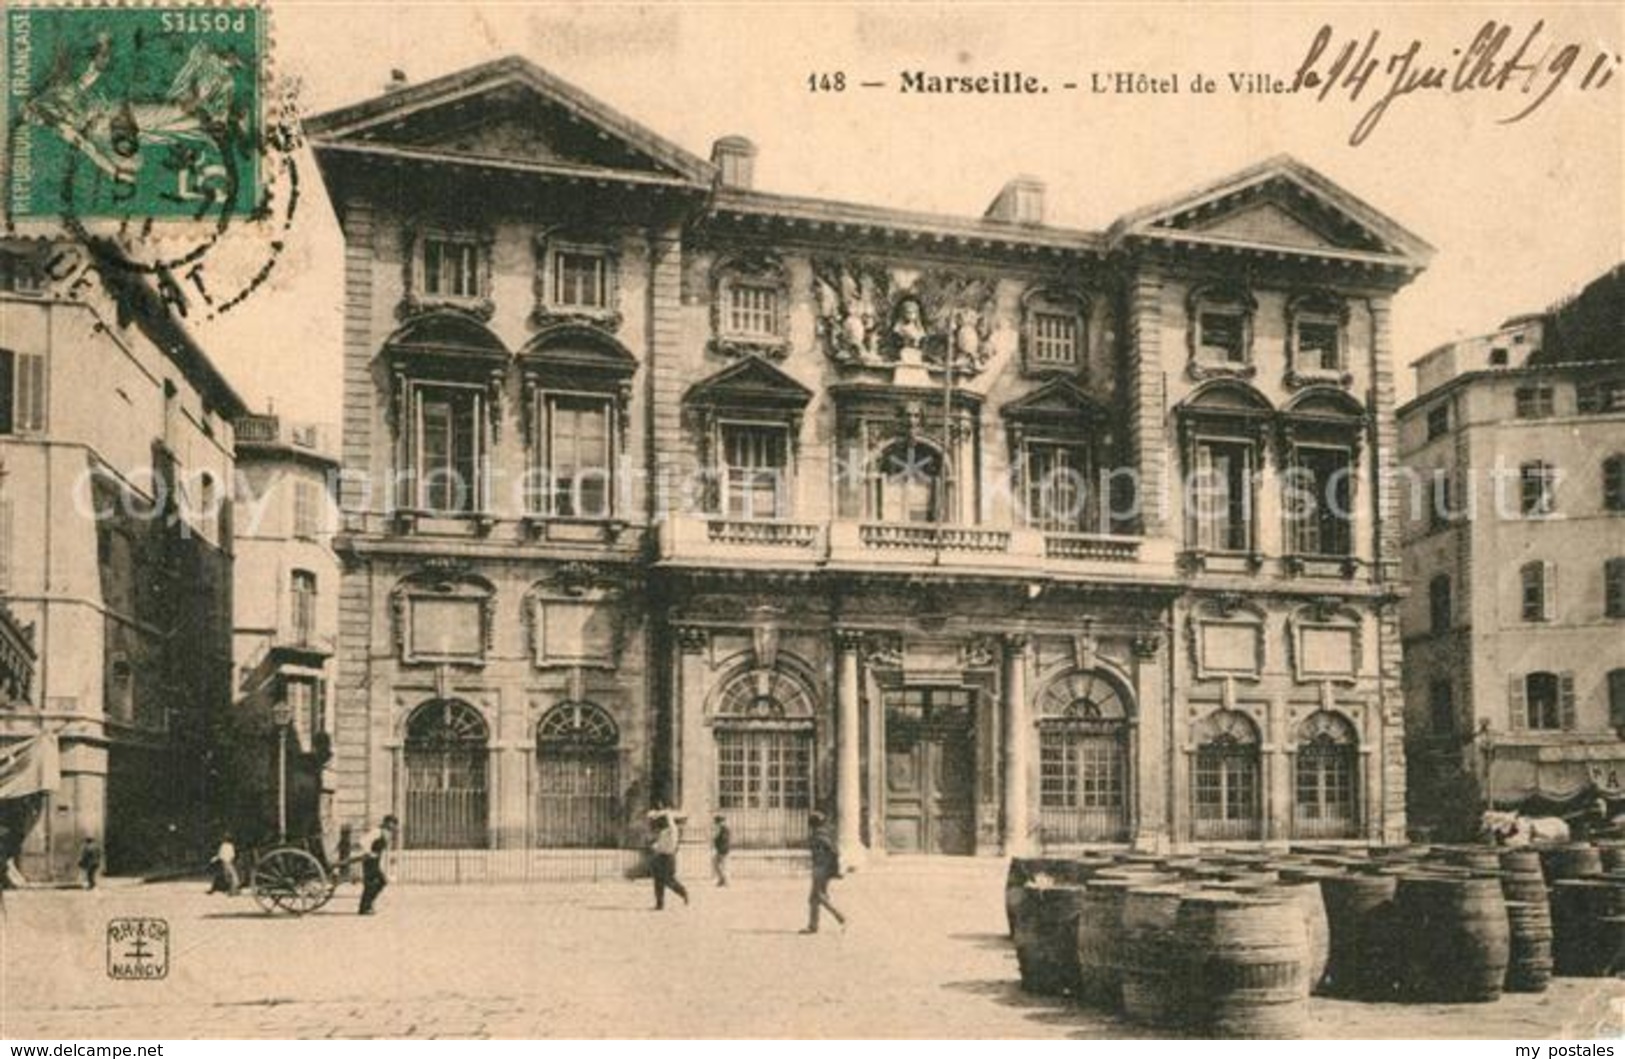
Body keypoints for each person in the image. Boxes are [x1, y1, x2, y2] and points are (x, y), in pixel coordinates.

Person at [802, 810, 846, 934]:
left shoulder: (819, 836)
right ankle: (813, 926)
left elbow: (833, 853)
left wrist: (831, 869)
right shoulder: (824, 834)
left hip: (821, 869)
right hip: (821, 868)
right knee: (814, 899)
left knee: (818, 897)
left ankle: (841, 917)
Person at [357, 815, 398, 916]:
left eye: (394, 824)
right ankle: (365, 907)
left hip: (376, 861)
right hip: (369, 861)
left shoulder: (386, 833)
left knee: (377, 883)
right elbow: (362, 841)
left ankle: (367, 905)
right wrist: (368, 852)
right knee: (374, 883)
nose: (392, 826)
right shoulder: (377, 831)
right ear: (386, 822)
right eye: (391, 823)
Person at [648, 809, 688, 910]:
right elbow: (661, 845)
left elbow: (669, 817)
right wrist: (655, 847)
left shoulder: (673, 830)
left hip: (668, 858)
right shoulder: (663, 832)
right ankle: (659, 904)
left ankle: (683, 892)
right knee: (658, 881)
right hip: (660, 857)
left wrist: (662, 813)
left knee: (669, 880)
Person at [711, 814, 731, 888]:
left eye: (717, 823)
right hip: (720, 850)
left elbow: (723, 840)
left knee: (723, 866)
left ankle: (725, 881)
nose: (716, 824)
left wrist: (716, 838)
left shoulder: (724, 829)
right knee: (716, 865)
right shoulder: (721, 829)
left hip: (723, 850)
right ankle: (722, 879)